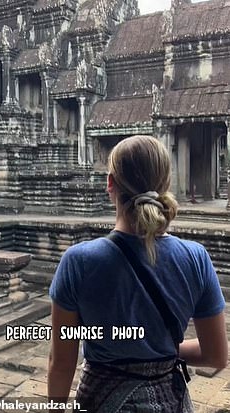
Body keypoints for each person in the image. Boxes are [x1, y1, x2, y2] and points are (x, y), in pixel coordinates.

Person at [48, 135, 228, 412]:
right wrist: (161, 349)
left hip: (102, 401)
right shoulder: (196, 258)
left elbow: (62, 363)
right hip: (171, 402)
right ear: (166, 183)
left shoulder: (79, 262)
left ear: (110, 184)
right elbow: (216, 355)